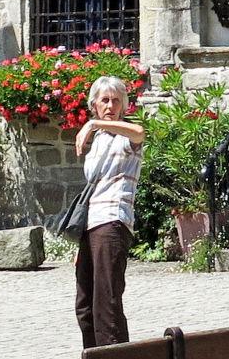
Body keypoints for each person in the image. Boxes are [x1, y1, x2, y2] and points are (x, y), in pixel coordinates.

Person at [73, 74, 143, 350]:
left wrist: (92, 124)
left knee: (107, 302)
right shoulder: (99, 141)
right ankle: (94, 354)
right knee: (85, 304)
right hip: (92, 224)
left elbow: (139, 134)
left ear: (123, 106)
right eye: (105, 100)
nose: (110, 105)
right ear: (95, 104)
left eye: (116, 100)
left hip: (113, 220)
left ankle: (115, 355)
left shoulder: (124, 136)